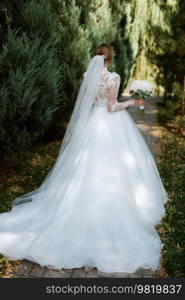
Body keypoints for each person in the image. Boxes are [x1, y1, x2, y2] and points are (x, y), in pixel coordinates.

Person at [0, 44, 168, 274]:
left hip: (91, 124)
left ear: (98, 57)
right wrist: (132, 103)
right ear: (110, 58)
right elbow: (111, 107)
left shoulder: (88, 75)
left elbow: (88, 103)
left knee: (82, 166)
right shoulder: (114, 77)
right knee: (111, 168)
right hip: (109, 125)